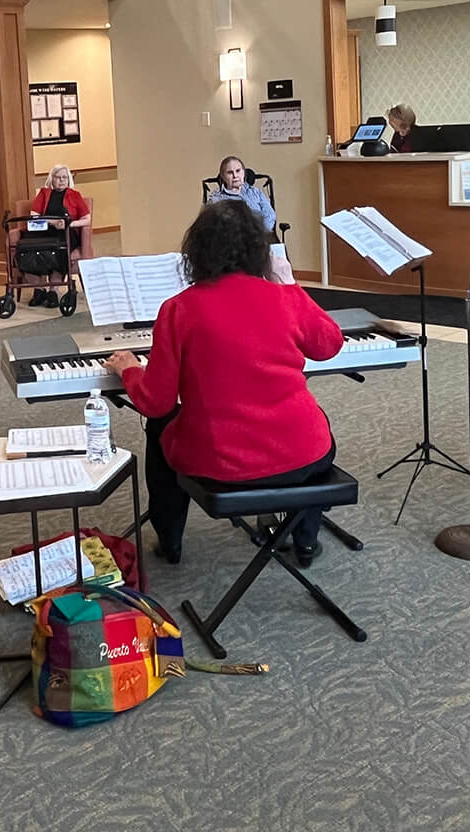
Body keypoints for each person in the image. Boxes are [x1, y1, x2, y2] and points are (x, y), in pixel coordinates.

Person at [105, 201, 342, 566]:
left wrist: (130, 369)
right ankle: (305, 539)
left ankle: (170, 539)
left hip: (220, 462)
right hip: (299, 454)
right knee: (315, 429)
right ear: (259, 250)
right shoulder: (284, 298)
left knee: (160, 426)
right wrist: (292, 285)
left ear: (197, 253)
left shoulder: (179, 309)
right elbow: (329, 344)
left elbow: (156, 402)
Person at [25, 164, 92, 308]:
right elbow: (34, 216)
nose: (61, 180)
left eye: (65, 177)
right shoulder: (44, 193)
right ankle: (39, 289)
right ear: (51, 179)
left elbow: (87, 219)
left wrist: (69, 224)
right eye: (58, 177)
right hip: (45, 230)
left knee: (58, 249)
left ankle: (53, 291)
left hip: (66, 232)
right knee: (31, 248)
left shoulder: (75, 195)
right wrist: (53, 222)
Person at [205, 155, 277, 233]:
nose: (235, 176)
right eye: (230, 173)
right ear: (223, 176)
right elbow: (213, 227)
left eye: (238, 171)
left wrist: (258, 233)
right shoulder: (216, 200)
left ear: (244, 172)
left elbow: (270, 216)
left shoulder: (256, 192)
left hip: (261, 237)